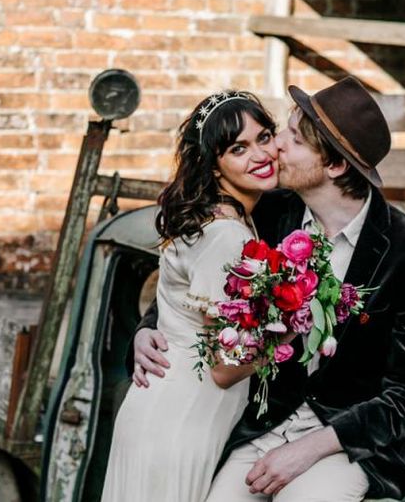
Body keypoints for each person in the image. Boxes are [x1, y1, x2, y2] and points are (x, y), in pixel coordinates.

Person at [132, 76, 405, 502]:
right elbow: (199, 275)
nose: (275, 144)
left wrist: (309, 448)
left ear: (335, 165)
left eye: (295, 139)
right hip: (267, 422)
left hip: (351, 442)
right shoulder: (268, 213)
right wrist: (150, 326)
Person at [101, 91, 280, 502]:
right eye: (239, 148)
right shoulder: (226, 237)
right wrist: (288, 339)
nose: (260, 154)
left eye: (265, 137)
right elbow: (223, 367)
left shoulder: (224, 217)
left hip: (176, 410)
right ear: (214, 167)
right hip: (181, 418)